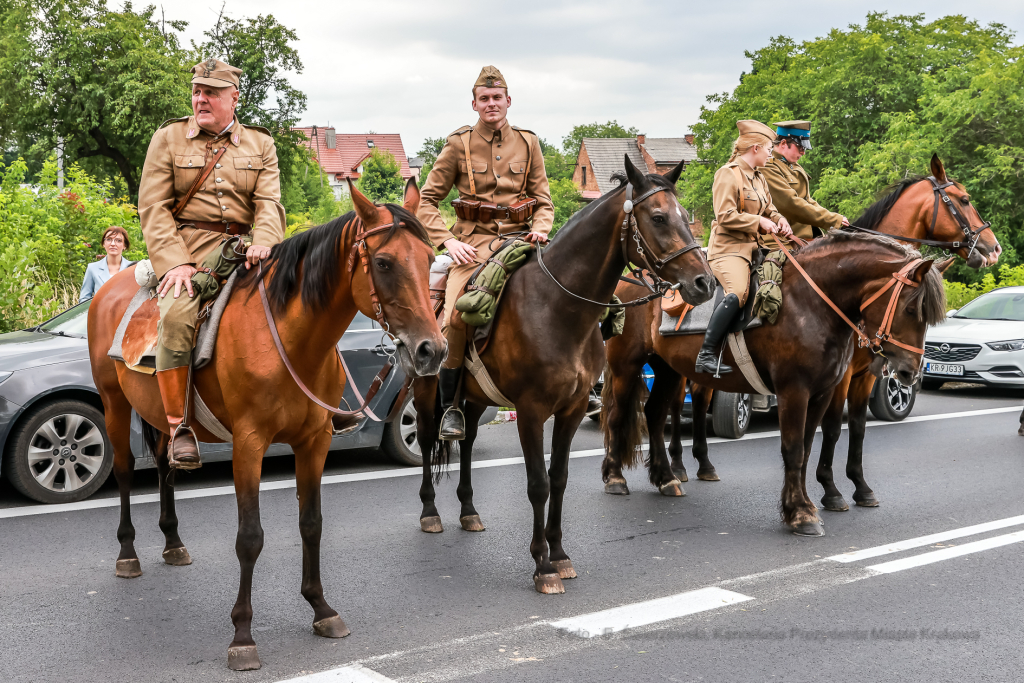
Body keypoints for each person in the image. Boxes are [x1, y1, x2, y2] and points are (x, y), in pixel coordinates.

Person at [138, 57, 286, 469]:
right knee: (178, 312)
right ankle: (179, 427)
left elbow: (269, 202)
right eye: (197, 91)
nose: (201, 98)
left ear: (234, 98)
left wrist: (266, 241)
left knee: (302, 298)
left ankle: (325, 404)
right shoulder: (168, 138)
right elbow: (152, 206)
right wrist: (174, 265)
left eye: (211, 92)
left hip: (246, 248)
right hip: (188, 245)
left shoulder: (261, 144)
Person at [420, 66, 554, 440]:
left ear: (508, 101)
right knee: (456, 318)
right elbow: (427, 201)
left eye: (498, 98)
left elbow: (544, 201)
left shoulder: (528, 143)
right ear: (475, 104)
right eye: (485, 99)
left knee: (579, 288)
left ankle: (585, 383)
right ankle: (451, 408)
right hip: (473, 246)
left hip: (525, 240)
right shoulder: (458, 144)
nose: (491, 104)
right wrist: (448, 241)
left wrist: (541, 230)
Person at [697, 119, 792, 375]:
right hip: (728, 250)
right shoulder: (727, 174)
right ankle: (706, 353)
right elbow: (724, 214)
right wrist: (758, 221)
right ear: (755, 148)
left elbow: (769, 208)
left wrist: (779, 219)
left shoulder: (759, 178)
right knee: (738, 292)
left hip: (755, 250)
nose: (773, 152)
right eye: (769, 147)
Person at [760, 120, 848, 247]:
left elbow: (807, 200)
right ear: (784, 143)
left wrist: (836, 219)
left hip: (805, 239)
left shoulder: (793, 166)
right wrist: (832, 220)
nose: (803, 152)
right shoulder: (767, 167)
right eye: (800, 147)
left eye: (804, 147)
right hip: (782, 241)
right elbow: (791, 203)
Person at [80, 226, 133, 302]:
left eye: (118, 240)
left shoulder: (132, 269)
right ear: (104, 244)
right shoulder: (92, 268)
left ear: (124, 245)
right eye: (108, 239)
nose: (113, 244)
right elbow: (83, 300)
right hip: (99, 313)